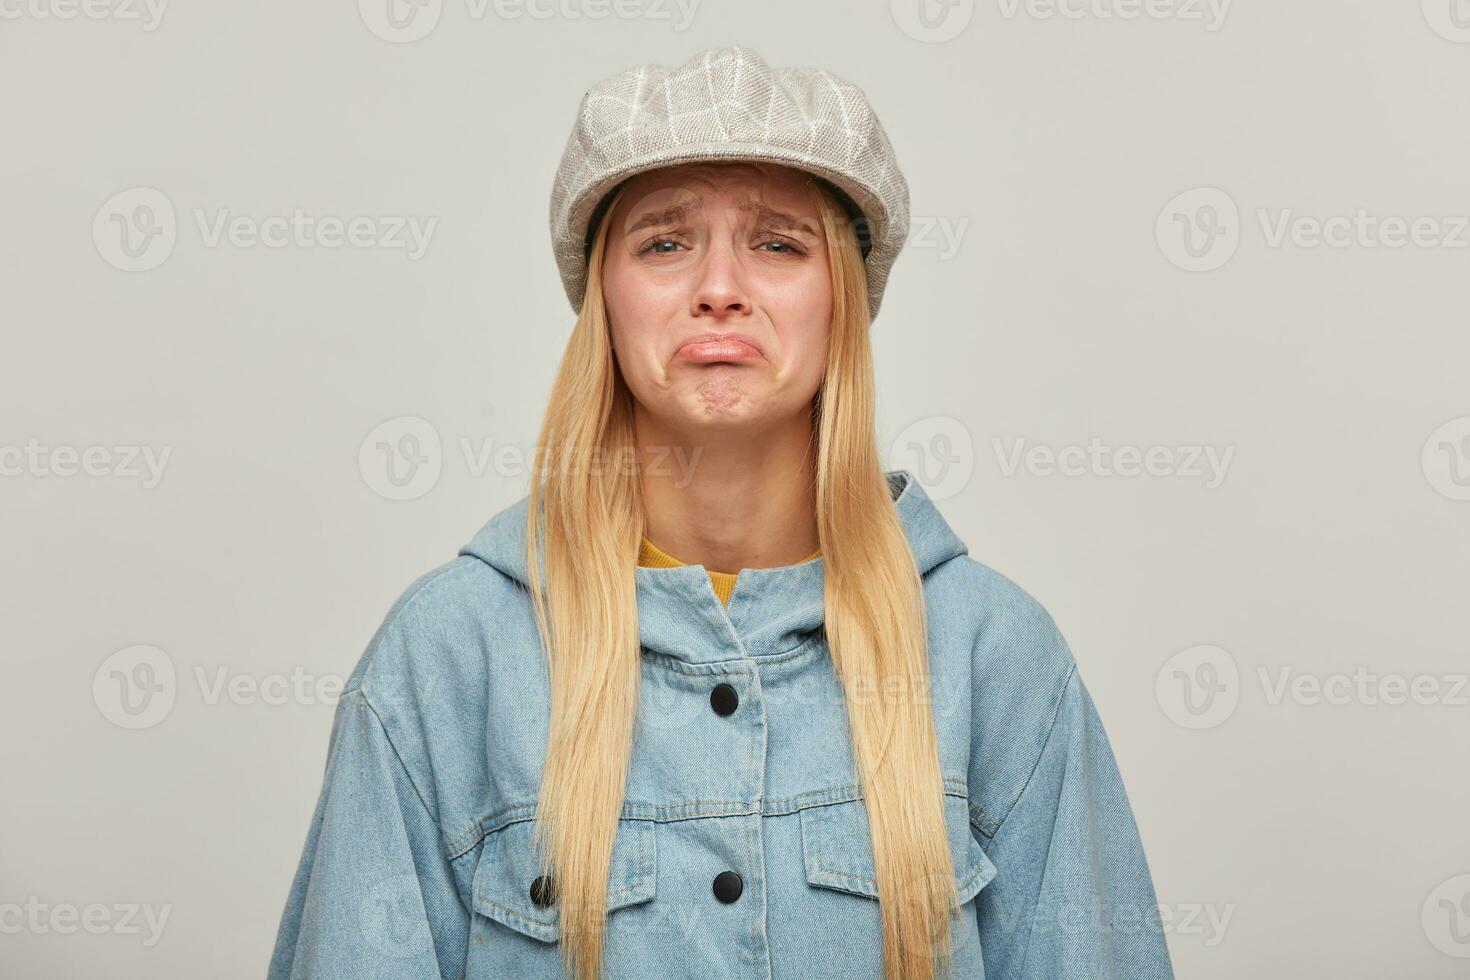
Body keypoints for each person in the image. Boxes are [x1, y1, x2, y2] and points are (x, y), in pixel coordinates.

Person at [267, 44, 1175, 980]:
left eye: (779, 243)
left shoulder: (995, 659)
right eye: (664, 242)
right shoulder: (447, 660)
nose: (719, 288)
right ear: (604, 302)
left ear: (845, 302)